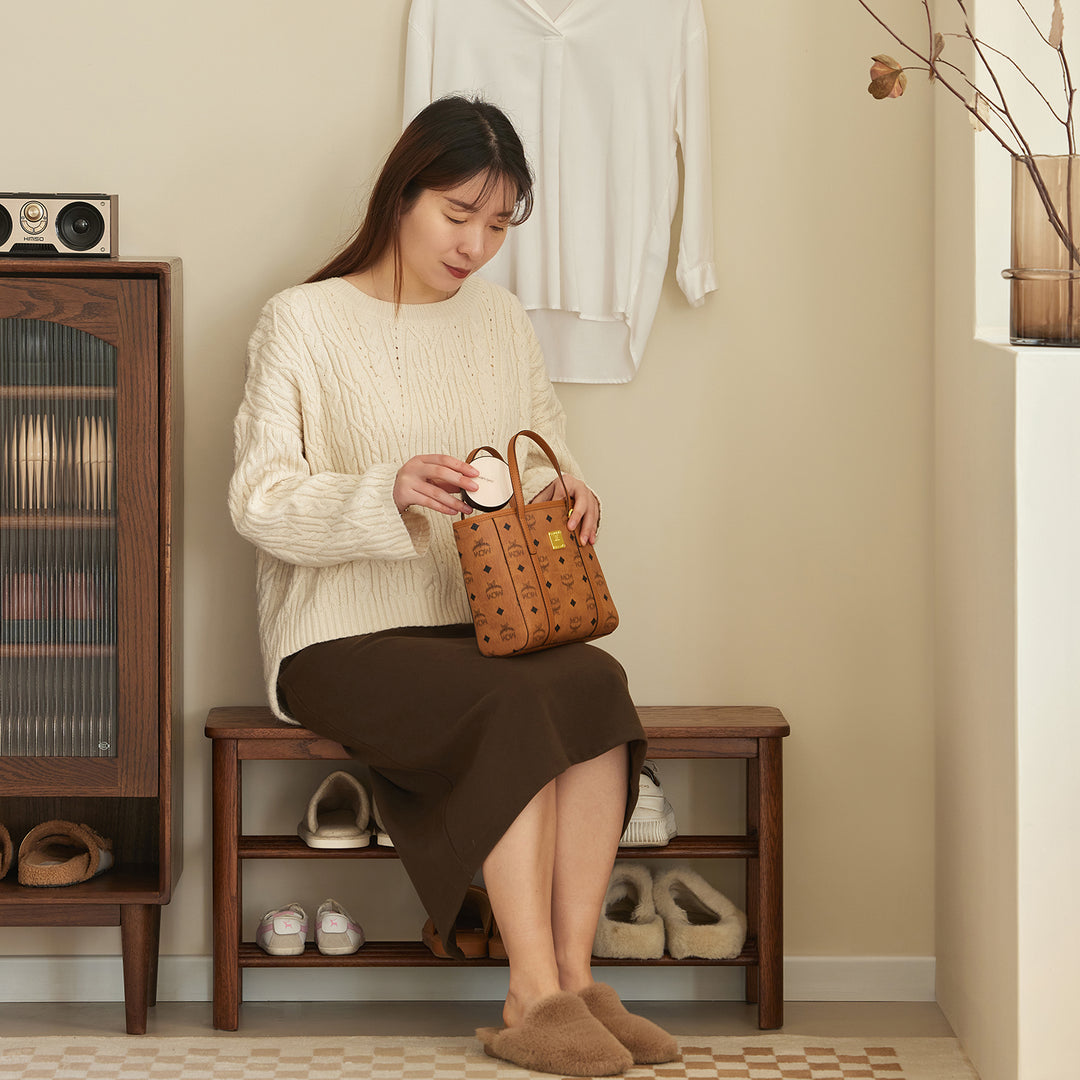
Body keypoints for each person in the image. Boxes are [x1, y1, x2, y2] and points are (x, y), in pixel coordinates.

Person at [228, 96, 677, 1076]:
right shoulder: (302, 320)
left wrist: (570, 485)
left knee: (594, 684)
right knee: (516, 701)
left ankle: (578, 980)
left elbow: (543, 437)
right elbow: (257, 501)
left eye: (499, 225)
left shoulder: (500, 319)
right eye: (458, 215)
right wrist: (380, 489)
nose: (477, 244)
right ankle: (531, 995)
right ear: (403, 195)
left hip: (488, 620)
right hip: (339, 635)